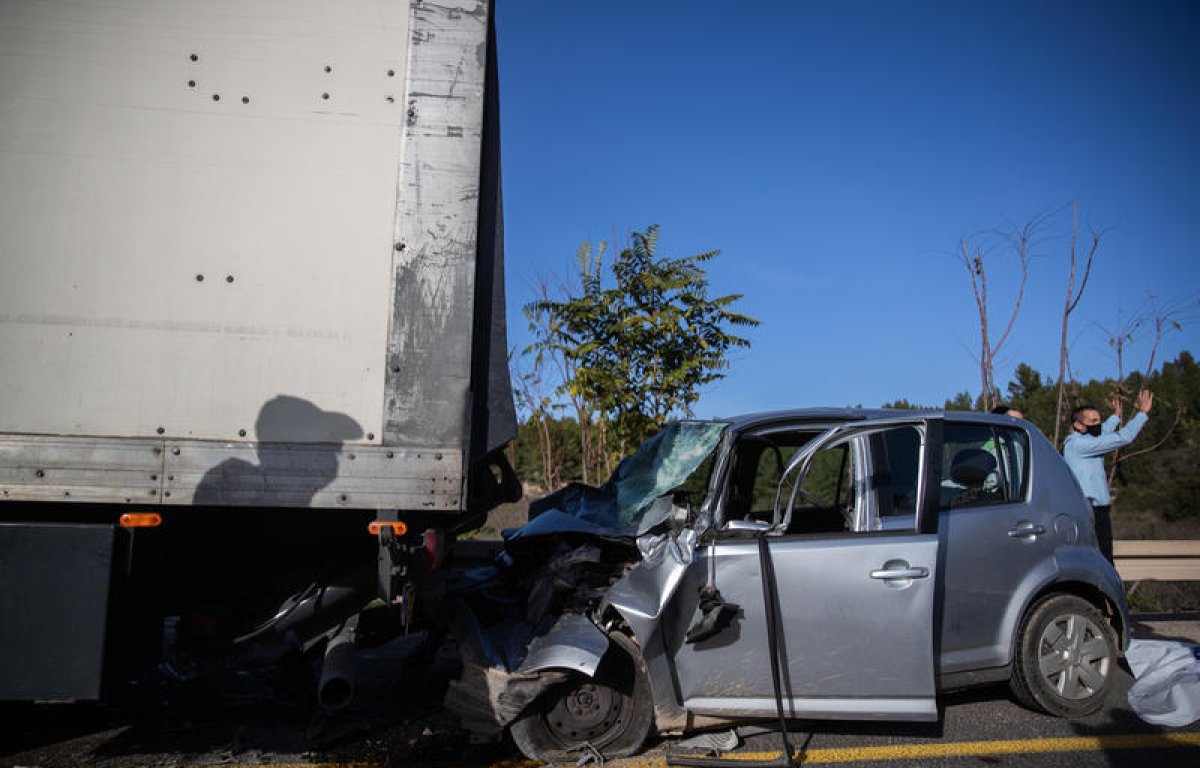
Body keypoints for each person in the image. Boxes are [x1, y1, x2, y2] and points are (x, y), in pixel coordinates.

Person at [1062, 389, 1154, 563]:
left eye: (1099, 420)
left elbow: (1101, 431)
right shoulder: (1079, 445)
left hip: (1097, 511)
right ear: (1078, 425)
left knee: (1103, 558)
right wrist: (1142, 414)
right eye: (1093, 421)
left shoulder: (1085, 440)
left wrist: (1116, 416)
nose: (1098, 424)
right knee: (1101, 560)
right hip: (1089, 511)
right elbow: (1123, 437)